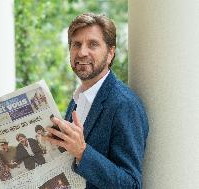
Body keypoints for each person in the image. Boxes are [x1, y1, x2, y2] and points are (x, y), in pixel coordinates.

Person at [45, 13, 149, 189]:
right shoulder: (77, 99)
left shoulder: (124, 104)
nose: (82, 52)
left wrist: (82, 152)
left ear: (110, 53)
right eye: (76, 44)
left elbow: (131, 184)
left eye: (93, 44)